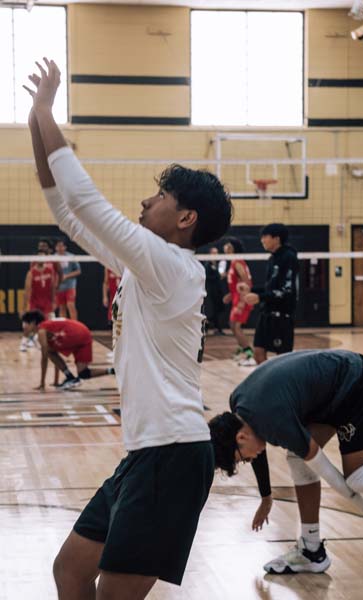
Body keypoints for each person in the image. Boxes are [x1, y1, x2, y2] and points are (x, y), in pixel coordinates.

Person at [24, 58, 232, 599]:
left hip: (174, 454)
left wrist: (49, 111)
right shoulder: (149, 264)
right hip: (144, 454)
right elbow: (68, 215)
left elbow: (88, 202)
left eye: (160, 197)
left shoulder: (174, 266)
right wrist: (34, 123)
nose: (145, 201)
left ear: (187, 219)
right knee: (70, 571)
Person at [209, 349, 363, 574]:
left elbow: (329, 473)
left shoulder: (274, 420)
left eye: (242, 460)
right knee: (299, 457)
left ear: (240, 438)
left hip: (359, 383)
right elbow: (256, 450)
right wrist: (266, 497)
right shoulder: (240, 405)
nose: (249, 460)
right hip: (332, 392)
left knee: (359, 478)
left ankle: (311, 549)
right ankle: (312, 550)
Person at [241, 223, 298, 365]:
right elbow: (270, 288)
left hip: (282, 317)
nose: (262, 240)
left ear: (276, 239)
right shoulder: (272, 259)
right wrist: (251, 290)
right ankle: (269, 385)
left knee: (283, 361)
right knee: (258, 354)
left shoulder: (289, 257)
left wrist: (259, 297)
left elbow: (287, 291)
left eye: (265, 237)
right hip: (266, 315)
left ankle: (283, 386)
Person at [21, 310, 115, 390]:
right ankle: (113, 370)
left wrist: (42, 384)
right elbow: (54, 354)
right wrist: (56, 381)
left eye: (25, 323)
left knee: (48, 351)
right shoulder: (48, 325)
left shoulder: (41, 330)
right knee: (83, 373)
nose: (23, 327)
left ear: (33, 322)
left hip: (75, 335)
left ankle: (69, 377)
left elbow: (45, 358)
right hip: (84, 333)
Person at [223, 237, 255, 366]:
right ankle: (243, 349)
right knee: (232, 325)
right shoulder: (233, 262)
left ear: (233, 249)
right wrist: (231, 295)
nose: (225, 249)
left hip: (242, 299)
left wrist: (243, 300)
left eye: (228, 247)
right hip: (237, 297)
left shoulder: (237, 262)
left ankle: (250, 354)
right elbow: (237, 282)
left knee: (236, 326)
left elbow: (246, 280)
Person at [55, 238, 81, 320]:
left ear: (65, 247)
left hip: (70, 286)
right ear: (55, 247)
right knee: (62, 308)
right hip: (59, 287)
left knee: (71, 306)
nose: (60, 248)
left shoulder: (71, 257)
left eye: (61, 246)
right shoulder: (53, 258)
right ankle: (63, 329)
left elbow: (78, 271)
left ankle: (75, 327)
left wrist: (66, 276)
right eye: (58, 246)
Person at [204, 247, 225, 335]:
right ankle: (207, 327)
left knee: (218, 310)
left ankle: (217, 329)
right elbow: (207, 277)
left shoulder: (219, 264)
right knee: (211, 311)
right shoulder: (207, 265)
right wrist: (218, 276)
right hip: (210, 292)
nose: (215, 254)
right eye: (213, 253)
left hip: (218, 292)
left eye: (216, 253)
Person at [102, 267, 121, 361]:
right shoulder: (108, 266)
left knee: (122, 325)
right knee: (113, 325)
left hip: (123, 299)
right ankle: (115, 350)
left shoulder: (123, 264)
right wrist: (105, 296)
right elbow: (105, 282)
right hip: (113, 300)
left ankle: (121, 350)